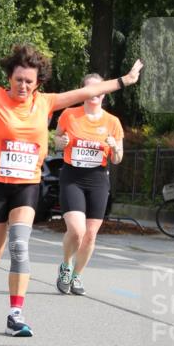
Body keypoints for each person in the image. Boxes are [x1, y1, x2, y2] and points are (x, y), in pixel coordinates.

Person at [0, 18, 142, 337]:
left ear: (38, 83)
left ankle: (15, 315)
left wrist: (124, 81)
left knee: (19, 246)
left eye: (29, 81)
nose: (23, 86)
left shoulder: (46, 103)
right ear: (9, 78)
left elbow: (89, 90)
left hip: (26, 185)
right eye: (18, 80)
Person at [54, 73, 124, 296]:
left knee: (90, 235)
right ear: (83, 91)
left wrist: (115, 147)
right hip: (72, 177)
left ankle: (77, 275)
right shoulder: (69, 115)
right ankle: (66, 265)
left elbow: (117, 159)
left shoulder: (113, 122)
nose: (95, 94)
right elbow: (56, 139)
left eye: (99, 90)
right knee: (77, 231)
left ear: (104, 94)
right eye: (90, 89)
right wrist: (61, 141)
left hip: (98, 180)